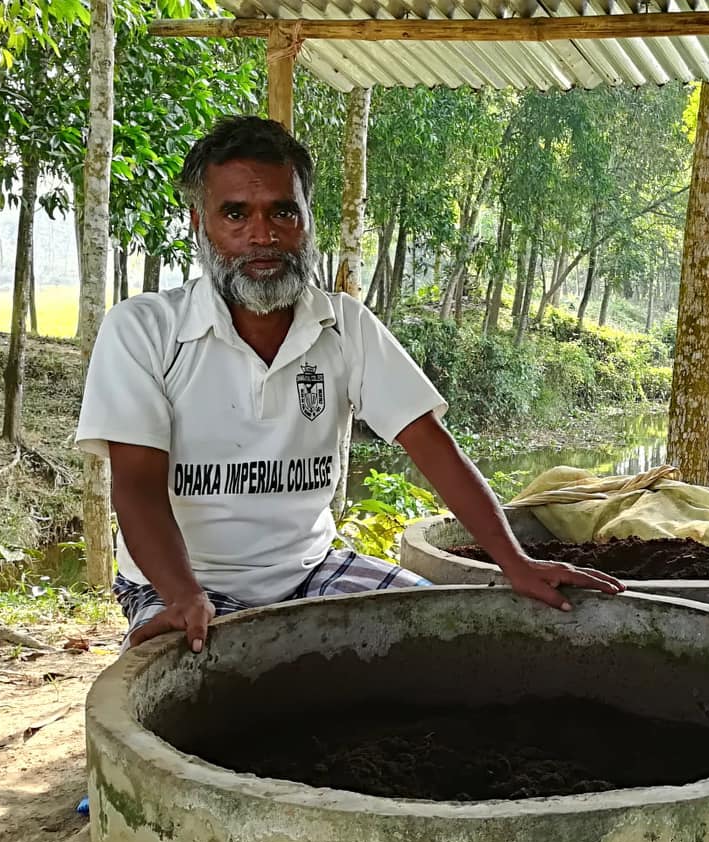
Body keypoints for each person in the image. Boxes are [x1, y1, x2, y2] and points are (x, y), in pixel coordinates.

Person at [75, 116, 622, 652]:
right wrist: (182, 595)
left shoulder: (344, 325)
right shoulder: (144, 330)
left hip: (313, 568)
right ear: (199, 224)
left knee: (448, 644)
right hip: (182, 585)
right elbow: (138, 487)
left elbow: (432, 447)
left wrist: (516, 563)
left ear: (309, 221)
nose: (262, 235)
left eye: (282, 212)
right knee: (209, 696)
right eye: (235, 214)